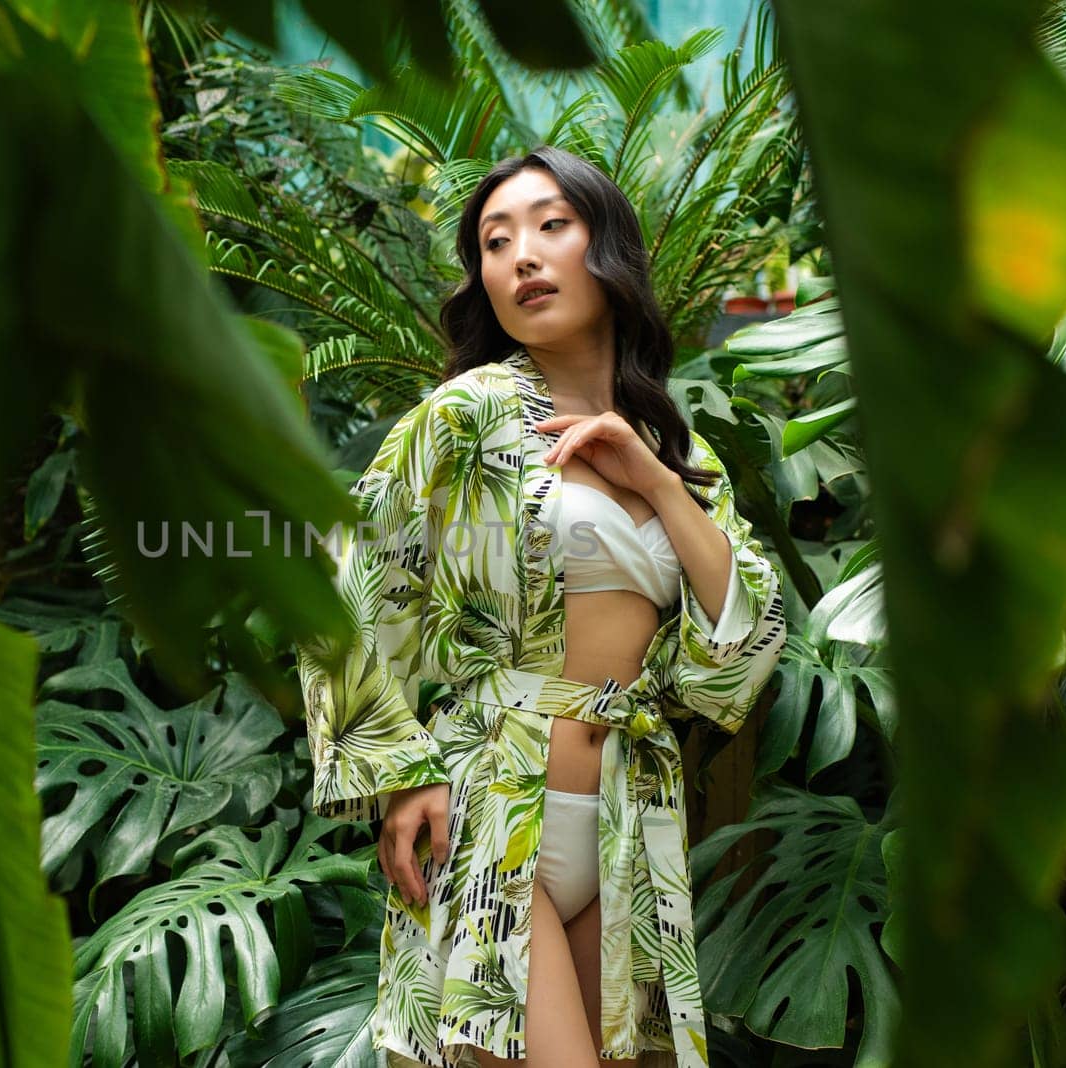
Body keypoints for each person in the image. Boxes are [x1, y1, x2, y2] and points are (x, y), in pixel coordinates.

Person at [294, 145, 787, 1068]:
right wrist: (402, 773)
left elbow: (742, 647)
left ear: (609, 248)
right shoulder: (468, 416)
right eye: (495, 240)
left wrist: (655, 481)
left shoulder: (682, 452)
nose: (521, 255)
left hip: (628, 822)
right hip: (495, 808)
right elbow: (338, 578)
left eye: (551, 225)